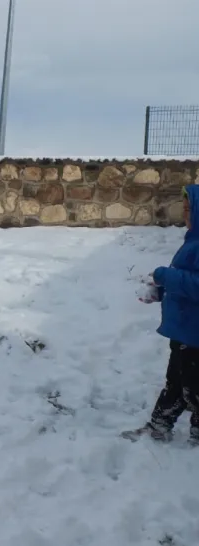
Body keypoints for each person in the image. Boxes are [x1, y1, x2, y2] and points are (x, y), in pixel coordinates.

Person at [124, 185, 199, 445]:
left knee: (195, 391)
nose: (185, 214)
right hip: (184, 329)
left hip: (195, 334)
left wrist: (164, 276)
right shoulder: (192, 240)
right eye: (186, 209)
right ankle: (159, 427)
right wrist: (161, 291)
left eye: (191, 210)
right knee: (176, 383)